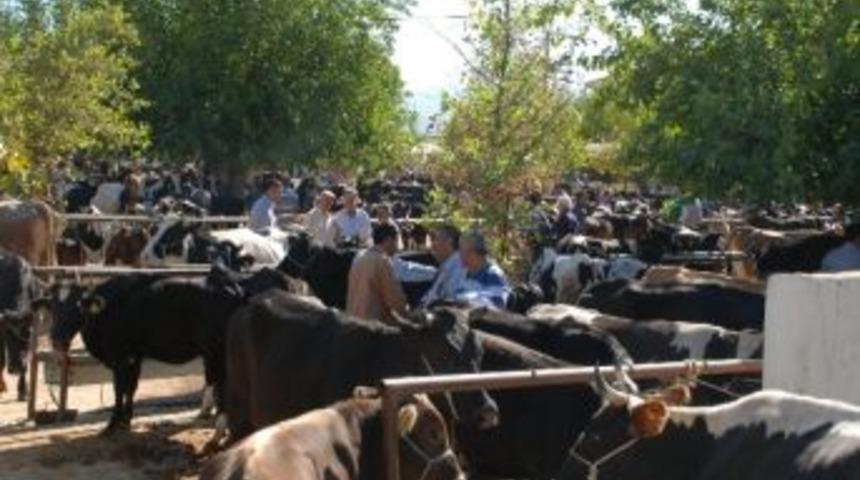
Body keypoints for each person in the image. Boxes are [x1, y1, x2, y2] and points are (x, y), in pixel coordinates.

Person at [346, 223, 408, 325]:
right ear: (388, 240)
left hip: (353, 321)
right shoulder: (381, 260)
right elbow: (395, 301)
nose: (398, 247)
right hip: (372, 328)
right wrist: (409, 314)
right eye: (396, 241)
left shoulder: (359, 256)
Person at [454, 231, 511, 309]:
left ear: (476, 252)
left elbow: (497, 306)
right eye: (460, 250)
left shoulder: (493, 275)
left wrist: (468, 303)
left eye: (464, 251)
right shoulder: (465, 274)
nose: (460, 255)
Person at [420, 225, 467, 307]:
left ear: (449, 241)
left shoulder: (459, 268)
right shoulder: (448, 266)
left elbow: (451, 303)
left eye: (435, 240)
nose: (432, 246)